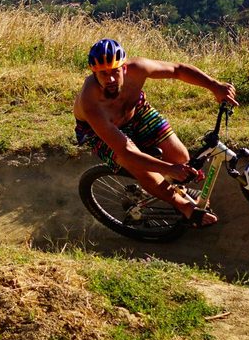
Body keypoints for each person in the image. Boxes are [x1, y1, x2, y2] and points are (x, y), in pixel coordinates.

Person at [74, 38, 238, 227]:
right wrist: (167, 169)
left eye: (115, 72)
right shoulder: (90, 103)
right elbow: (127, 151)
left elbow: (178, 70)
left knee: (180, 157)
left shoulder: (138, 68)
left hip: (137, 112)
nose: (110, 79)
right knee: (143, 168)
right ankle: (184, 206)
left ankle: (171, 189)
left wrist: (215, 86)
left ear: (125, 68)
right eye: (103, 74)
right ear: (94, 72)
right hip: (100, 131)